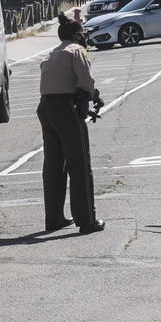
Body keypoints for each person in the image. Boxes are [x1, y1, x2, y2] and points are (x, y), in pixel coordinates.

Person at [36, 14, 105, 235]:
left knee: (54, 166)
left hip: (45, 108)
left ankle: (54, 218)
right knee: (79, 164)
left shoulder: (52, 54)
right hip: (66, 108)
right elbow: (85, 80)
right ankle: (87, 220)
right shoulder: (77, 50)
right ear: (76, 35)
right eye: (82, 33)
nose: (84, 36)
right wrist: (95, 95)